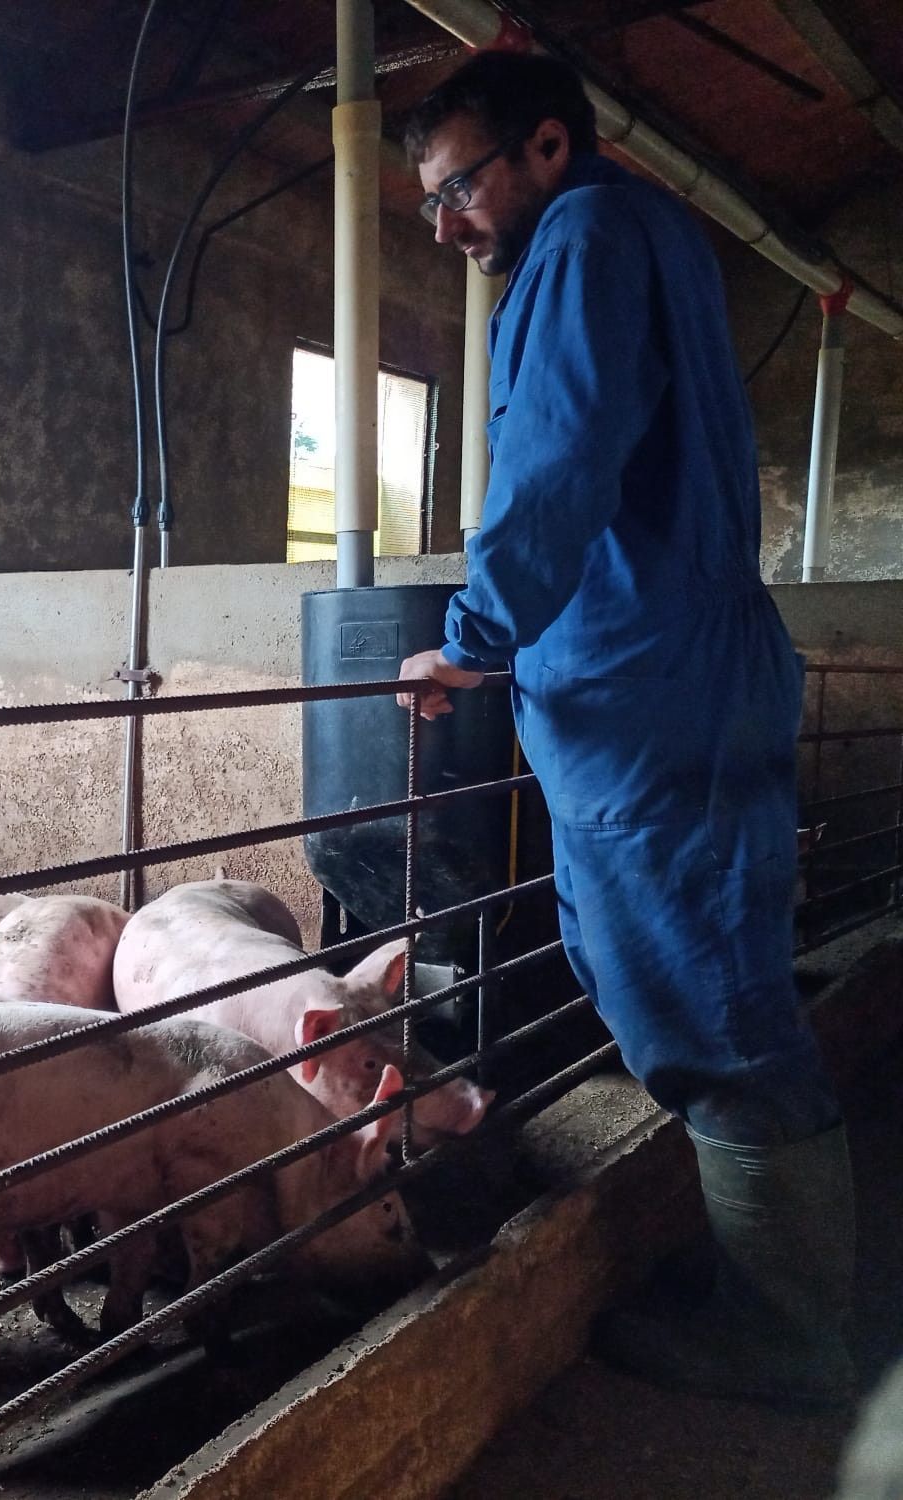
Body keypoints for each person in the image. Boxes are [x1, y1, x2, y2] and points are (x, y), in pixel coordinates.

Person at [391, 50, 853, 1406]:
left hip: (653, 701)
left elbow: (559, 456)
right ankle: (776, 1297)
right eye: (429, 201)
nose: (448, 222)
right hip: (676, 682)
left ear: (545, 148)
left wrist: (474, 640)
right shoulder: (648, 234)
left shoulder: (586, 236)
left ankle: (791, 1340)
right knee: (713, 1000)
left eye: (460, 186)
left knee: (719, 1021)